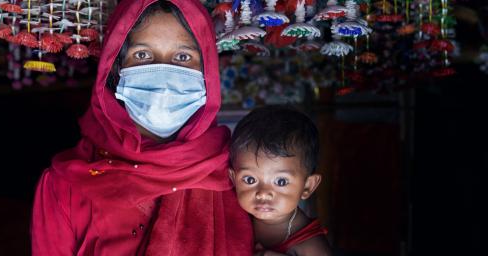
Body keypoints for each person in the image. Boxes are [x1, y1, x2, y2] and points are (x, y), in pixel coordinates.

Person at [31, 0, 253, 255]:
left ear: (208, 73)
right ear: (114, 70)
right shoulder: (65, 186)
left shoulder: (240, 177)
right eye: (142, 55)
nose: (163, 75)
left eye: (183, 57)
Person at [229, 106, 331, 256]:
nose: (263, 194)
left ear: (307, 186)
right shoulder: (229, 211)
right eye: (250, 179)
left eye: (281, 182)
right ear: (233, 178)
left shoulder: (310, 246)